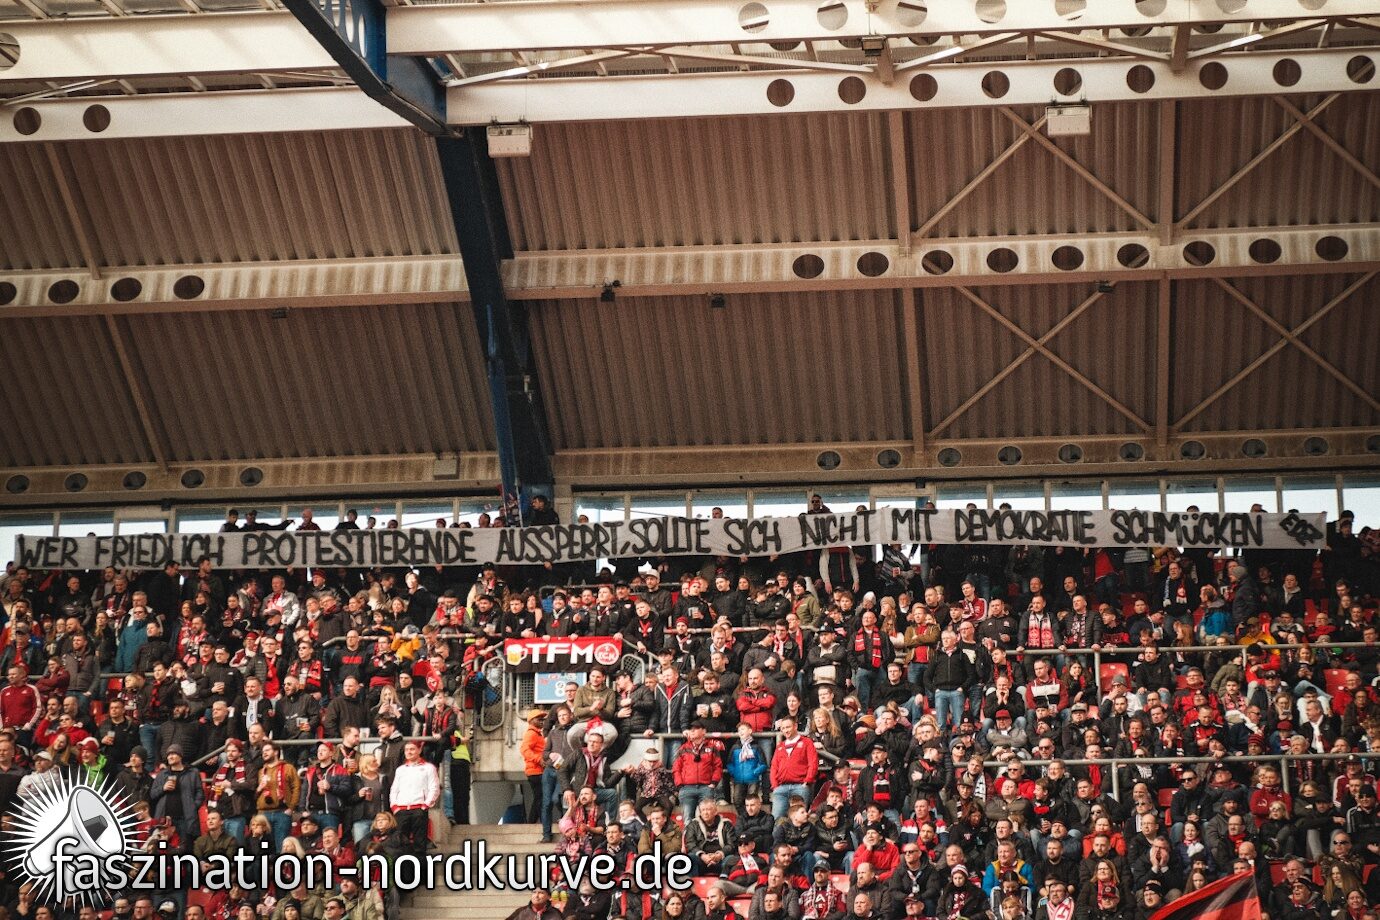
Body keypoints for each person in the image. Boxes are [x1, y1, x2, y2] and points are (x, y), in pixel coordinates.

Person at [389, 739, 439, 856]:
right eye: (407, 750)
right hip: (401, 810)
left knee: (419, 846)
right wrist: (394, 806)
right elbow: (394, 789)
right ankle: (402, 872)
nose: (409, 752)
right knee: (400, 845)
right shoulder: (400, 769)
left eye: (412, 749)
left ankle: (420, 872)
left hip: (419, 809)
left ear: (419, 750)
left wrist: (425, 805)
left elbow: (434, 788)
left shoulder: (429, 768)